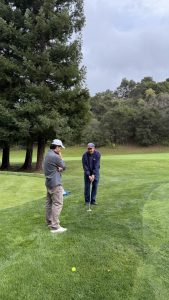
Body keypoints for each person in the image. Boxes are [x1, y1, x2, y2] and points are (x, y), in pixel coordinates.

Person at [43, 139, 67, 233]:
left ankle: (49, 221)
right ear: (56, 147)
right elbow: (64, 166)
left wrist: (58, 169)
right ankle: (55, 226)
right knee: (57, 203)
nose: (61, 149)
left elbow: (56, 168)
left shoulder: (48, 154)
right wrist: (61, 157)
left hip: (48, 183)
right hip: (55, 183)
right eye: (60, 147)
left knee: (49, 203)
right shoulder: (56, 156)